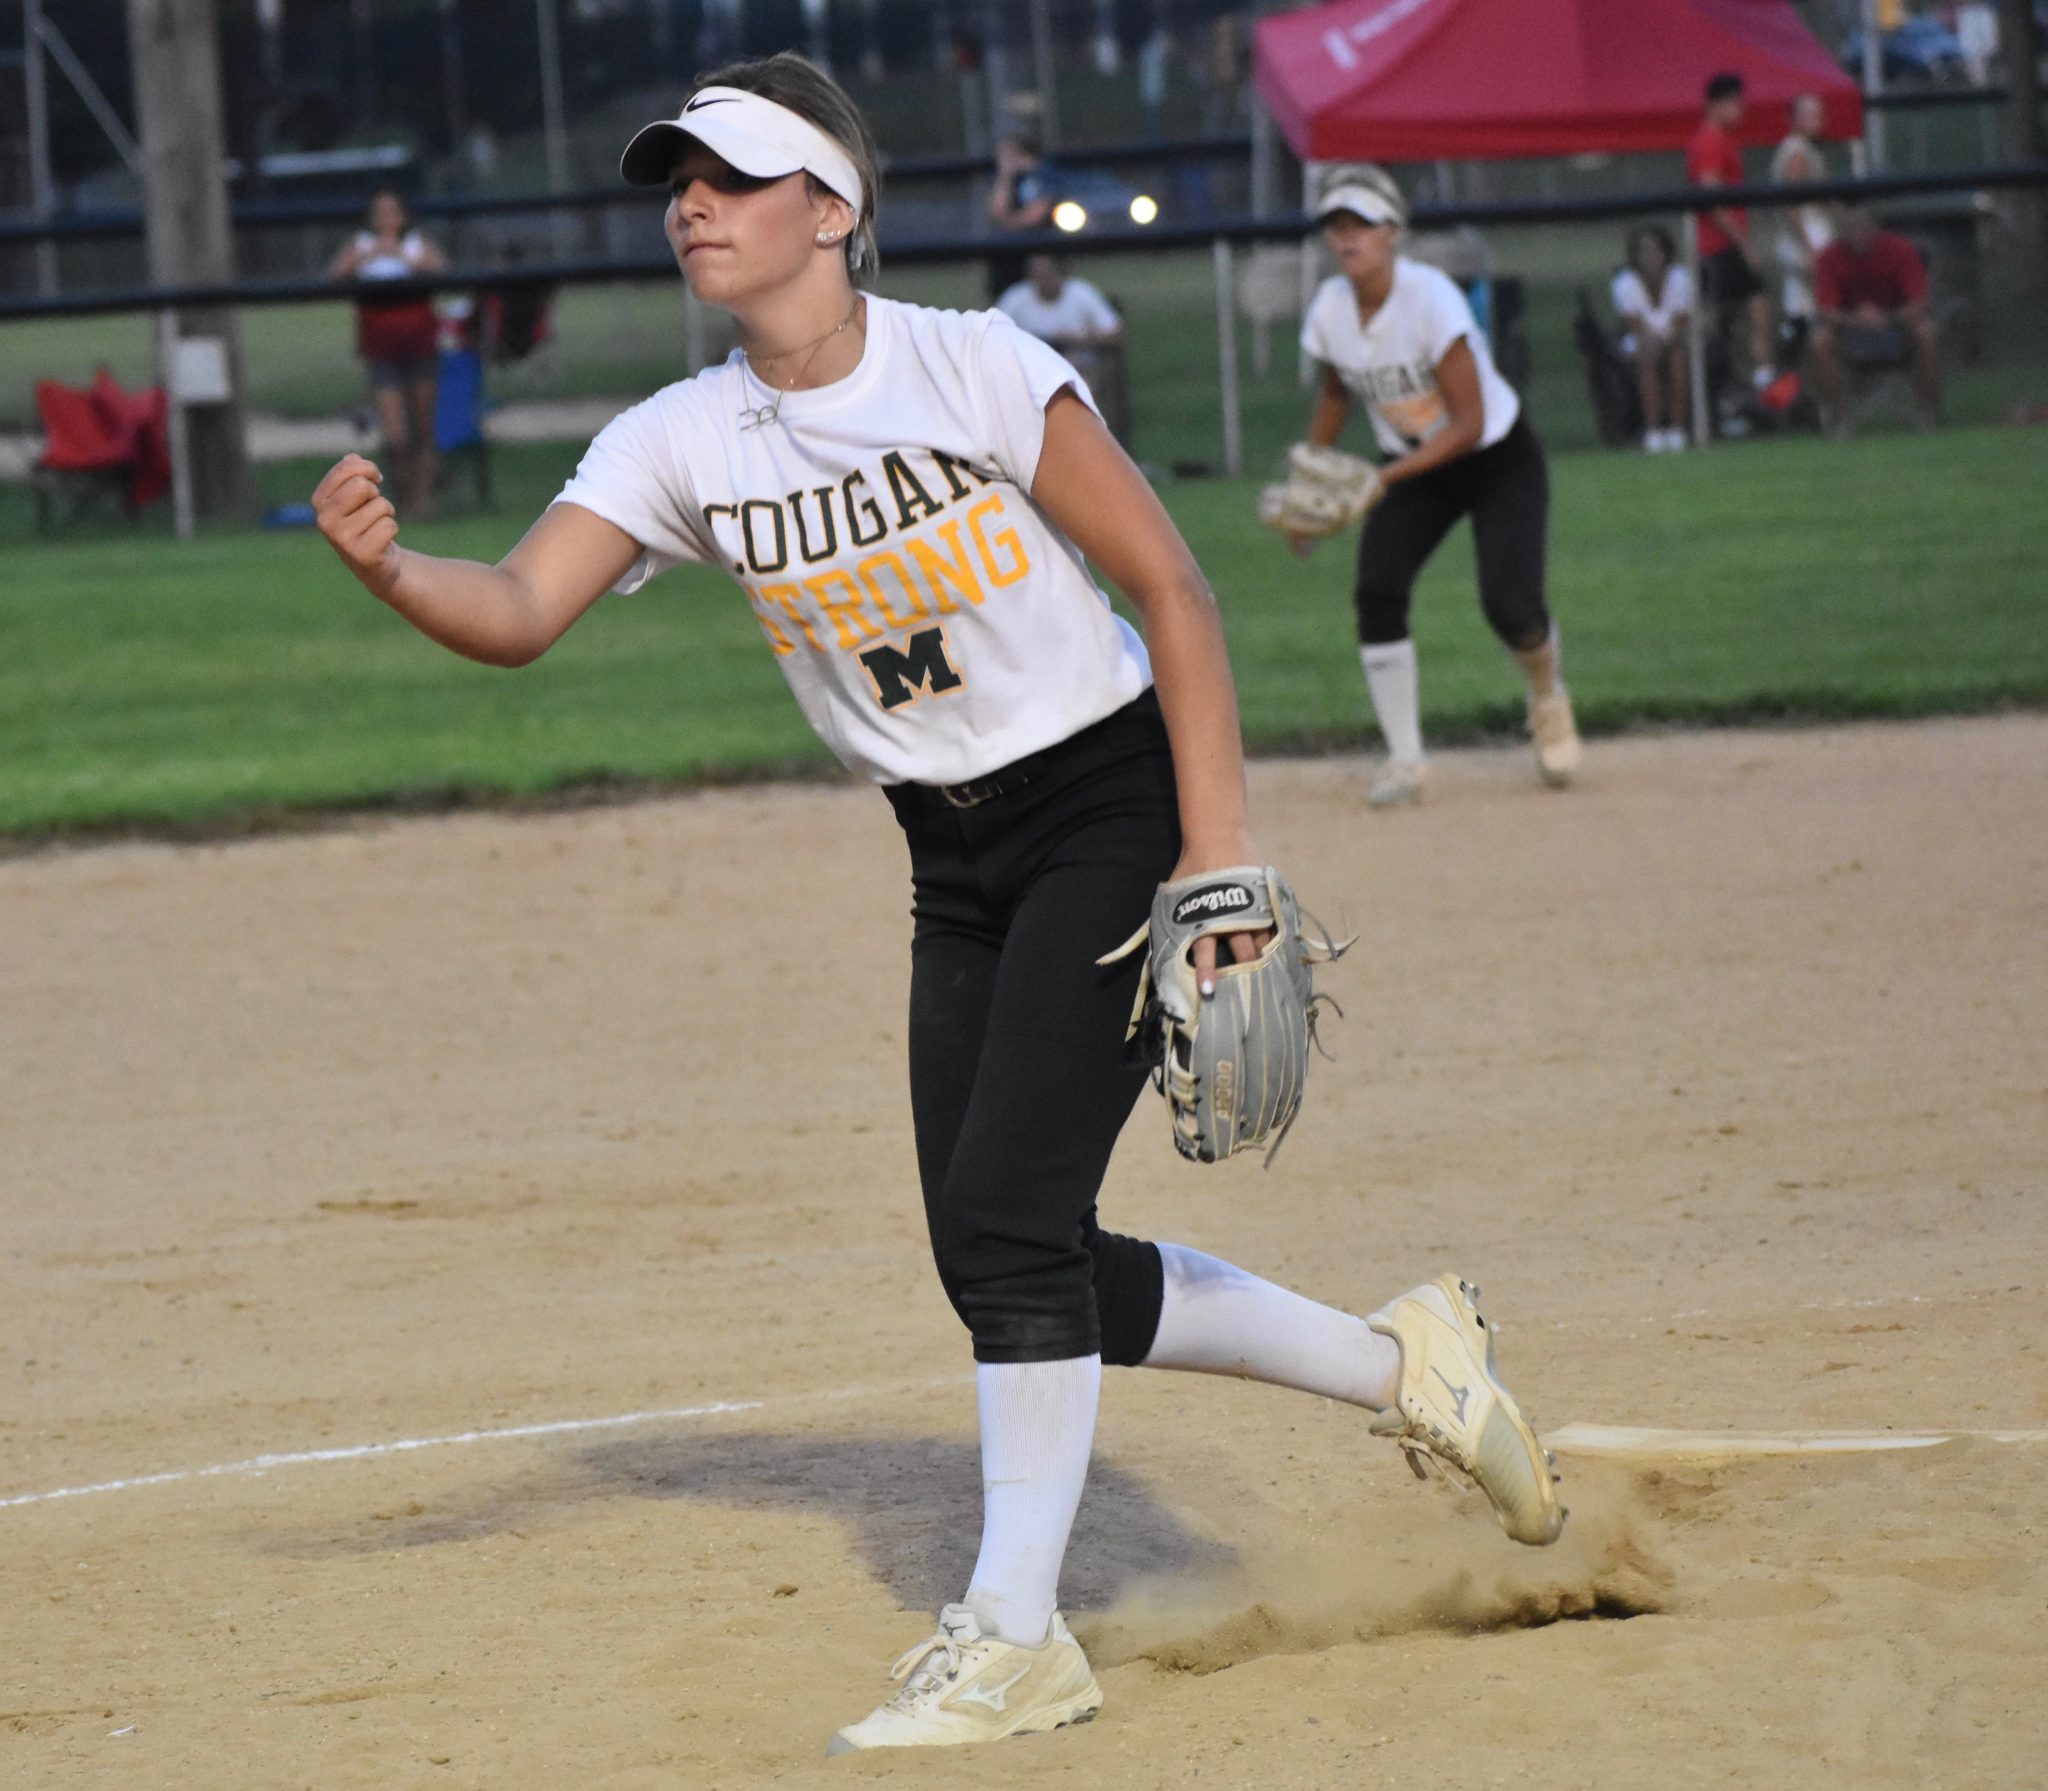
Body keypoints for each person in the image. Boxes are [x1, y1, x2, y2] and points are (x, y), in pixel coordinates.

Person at [310, 53, 1563, 1757]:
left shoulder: (974, 366)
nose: (690, 203)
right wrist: (394, 570)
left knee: (1000, 1227)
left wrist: (1217, 860)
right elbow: (525, 604)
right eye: (675, 178)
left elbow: (1173, 591)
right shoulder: (680, 435)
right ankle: (1402, 1363)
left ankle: (1012, 1631)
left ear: (829, 209)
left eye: (731, 175)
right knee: (1008, 1249)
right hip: (950, 859)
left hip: (1107, 807)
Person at [1293, 163, 1580, 809]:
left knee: (1511, 605)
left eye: (1361, 223)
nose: (1347, 238)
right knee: (1377, 590)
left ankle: (1547, 695)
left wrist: (1378, 479)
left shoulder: (1430, 300)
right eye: (1337, 226)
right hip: (1413, 464)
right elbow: (1337, 390)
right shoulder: (1332, 308)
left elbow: (1470, 422)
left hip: (1497, 457)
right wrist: (1310, 480)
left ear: (1393, 231)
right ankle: (1405, 759)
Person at [330, 189, 449, 517]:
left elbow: (441, 270)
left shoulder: (417, 245)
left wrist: (405, 259)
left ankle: (423, 503)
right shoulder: (362, 246)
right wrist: (365, 260)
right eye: (380, 212)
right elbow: (335, 276)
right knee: (396, 436)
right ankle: (400, 496)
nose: (386, 219)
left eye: (392, 211)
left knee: (423, 428)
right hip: (381, 348)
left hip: (420, 344)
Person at [1811, 205, 1943, 433]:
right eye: (1850, 230)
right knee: (1820, 341)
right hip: (1849, 332)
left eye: (1862, 229)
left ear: (1875, 229)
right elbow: (1826, 310)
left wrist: (1886, 317)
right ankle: (1838, 417)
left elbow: (1918, 303)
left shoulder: (1900, 250)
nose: (1856, 235)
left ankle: (1927, 411)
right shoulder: (1830, 257)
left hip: (1897, 329)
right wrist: (1857, 319)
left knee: (1926, 334)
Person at [1686, 72, 1773, 395]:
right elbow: (1714, 198)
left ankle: (1756, 379)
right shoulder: (1709, 141)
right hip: (1718, 247)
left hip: (1727, 245)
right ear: (1716, 104)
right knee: (1736, 314)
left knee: (1754, 307)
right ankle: (1737, 384)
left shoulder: (1726, 141)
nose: (1740, 109)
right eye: (1734, 103)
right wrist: (1742, 243)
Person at [1610, 224, 1694, 453]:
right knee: (1648, 359)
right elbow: (1637, 326)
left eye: (1655, 251)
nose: (1651, 257)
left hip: (1673, 340)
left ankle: (1677, 430)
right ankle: (1653, 431)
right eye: (1644, 252)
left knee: (1677, 359)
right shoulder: (1624, 284)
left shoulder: (1680, 279)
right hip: (1640, 342)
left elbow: (1680, 322)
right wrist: (1653, 342)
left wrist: (1666, 342)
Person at [1769, 95, 1835, 354]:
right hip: (1807, 238)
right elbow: (1791, 203)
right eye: (1809, 114)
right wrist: (1808, 246)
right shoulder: (1797, 151)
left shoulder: (1804, 149)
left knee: (1801, 311)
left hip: (1805, 238)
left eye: (1818, 114)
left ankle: (1797, 374)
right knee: (1810, 313)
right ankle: (1792, 374)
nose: (1816, 120)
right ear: (1794, 118)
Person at [984, 131, 1052, 301]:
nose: (1004, 160)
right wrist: (1005, 176)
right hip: (1008, 254)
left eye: (1009, 154)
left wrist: (1007, 221)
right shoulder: (1004, 179)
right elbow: (996, 212)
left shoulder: (1041, 175)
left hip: (1039, 248)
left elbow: (1036, 214)